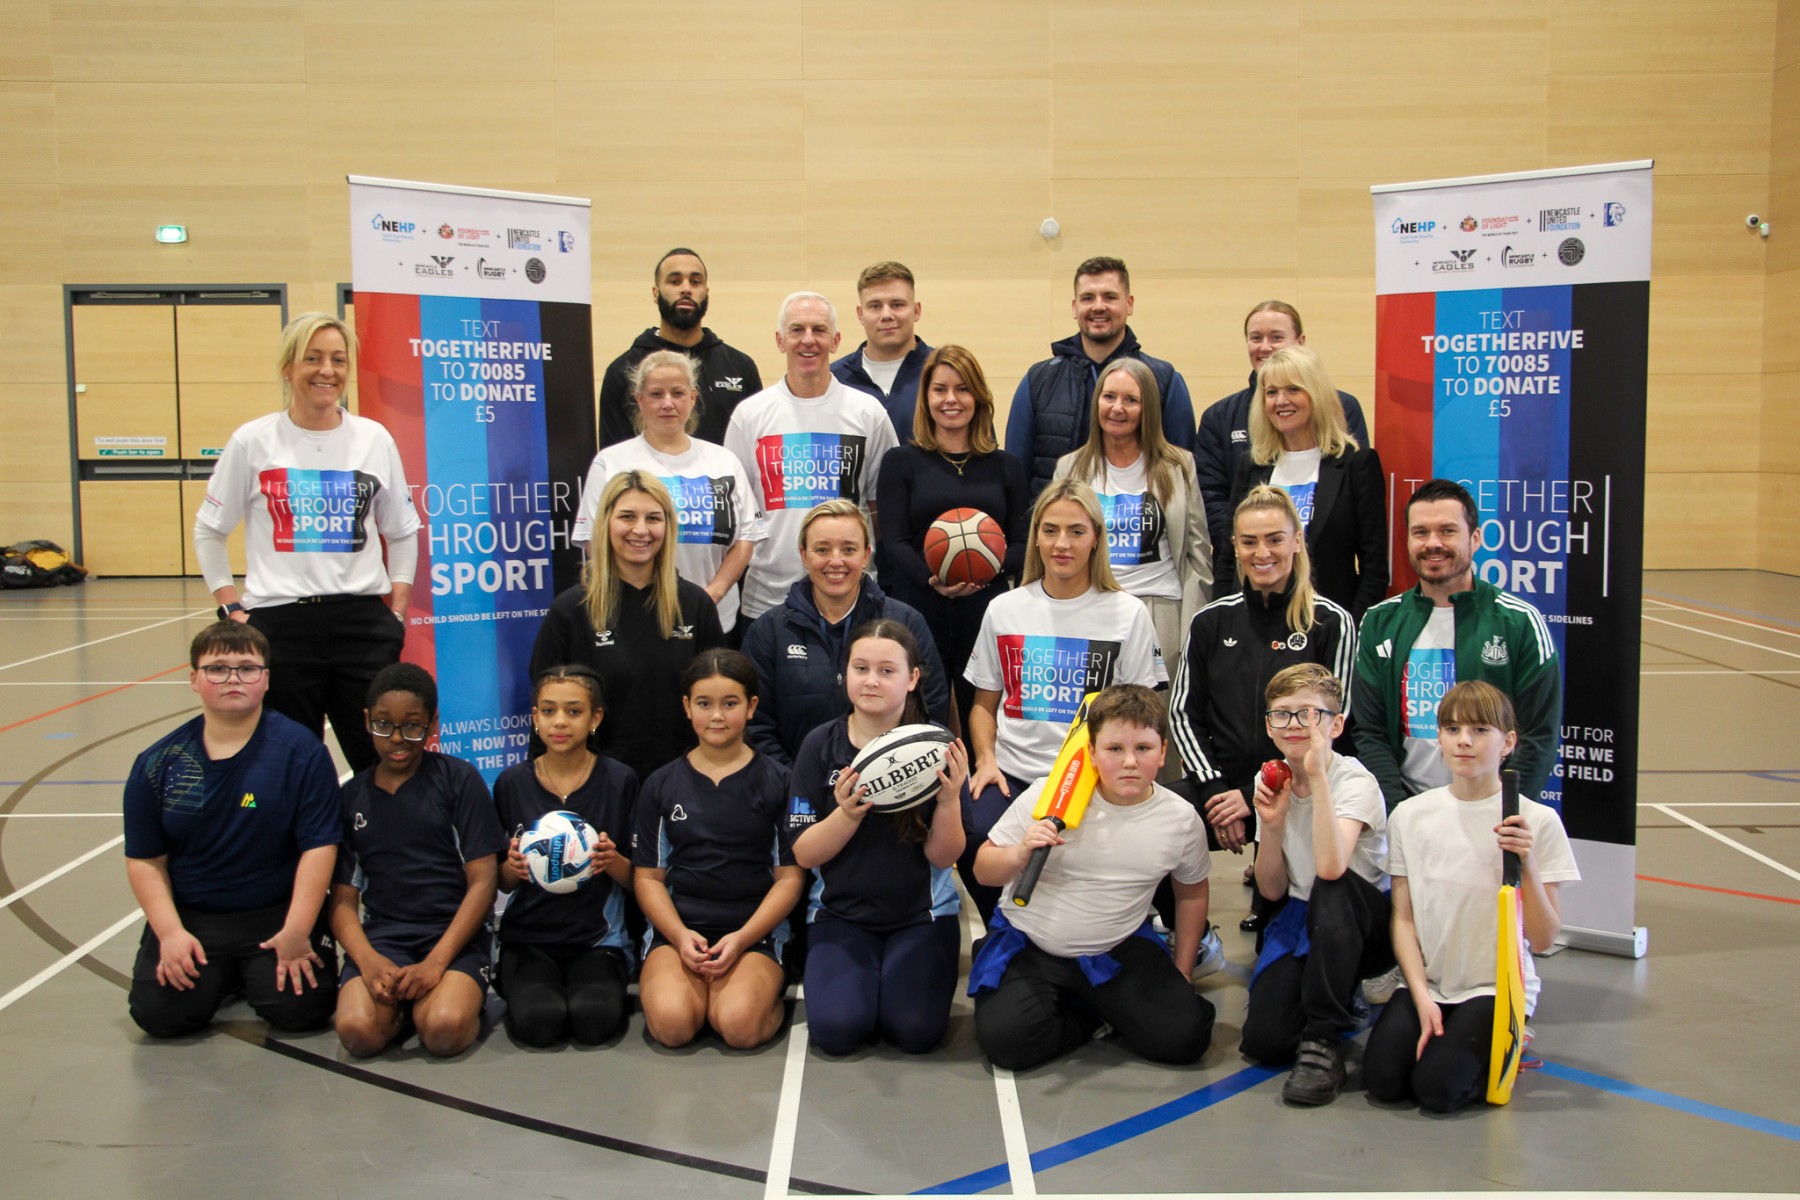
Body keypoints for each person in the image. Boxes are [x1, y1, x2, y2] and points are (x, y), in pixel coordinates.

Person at [195, 312, 419, 772]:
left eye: (338, 359)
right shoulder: (252, 441)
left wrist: (395, 613)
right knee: (292, 765)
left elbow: (401, 531)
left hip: (362, 626)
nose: (327, 371)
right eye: (312, 358)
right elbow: (209, 530)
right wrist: (231, 608)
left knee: (378, 762)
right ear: (287, 367)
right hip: (281, 627)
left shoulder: (373, 438)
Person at [969, 685, 1215, 1070]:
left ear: (1163, 751)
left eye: (1143, 748)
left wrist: (1183, 971)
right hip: (1033, 946)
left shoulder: (1180, 819)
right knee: (1009, 1043)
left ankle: (1100, 1005)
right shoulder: (1046, 797)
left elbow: (1192, 892)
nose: (1129, 762)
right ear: (1092, 752)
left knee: (1186, 1038)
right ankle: (1091, 1016)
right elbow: (983, 870)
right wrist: (1019, 853)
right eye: (1114, 749)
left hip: (1118, 947)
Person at [1363, 681, 1580, 1114]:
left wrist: (1527, 863)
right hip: (1429, 981)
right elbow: (1403, 919)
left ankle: (1511, 1041)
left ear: (1508, 743)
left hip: (1494, 988)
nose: (1464, 740)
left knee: (1438, 1091)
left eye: (1480, 730)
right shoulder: (1410, 815)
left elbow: (1542, 939)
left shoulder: (1537, 820)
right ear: (1439, 739)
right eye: (1452, 729)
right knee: (1384, 1082)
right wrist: (1420, 996)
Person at [123, 623, 342, 1039]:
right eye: (218, 668)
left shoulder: (302, 753)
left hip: (276, 913)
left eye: (247, 668)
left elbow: (320, 847)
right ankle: (225, 972)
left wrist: (297, 931)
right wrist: (170, 933)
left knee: (301, 1011)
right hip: (194, 916)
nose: (233, 679)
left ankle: (241, 971)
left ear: (267, 679)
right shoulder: (159, 762)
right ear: (194, 679)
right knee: (162, 1017)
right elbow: (145, 859)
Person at [962, 479, 1166, 923]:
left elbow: (1145, 714)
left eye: (1076, 531)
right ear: (1036, 536)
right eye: (1050, 530)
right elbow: (983, 704)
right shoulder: (1004, 609)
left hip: (1093, 778)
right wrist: (985, 760)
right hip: (1014, 775)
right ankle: (1005, 925)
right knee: (972, 831)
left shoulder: (1127, 613)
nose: (1062, 544)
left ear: (1096, 538)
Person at [788, 620, 969, 1056]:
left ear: (912, 678)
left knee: (915, 1032)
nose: (871, 680)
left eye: (887, 671)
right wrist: (846, 815)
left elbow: (944, 857)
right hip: (841, 915)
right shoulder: (820, 744)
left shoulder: (937, 750)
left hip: (922, 916)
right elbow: (804, 852)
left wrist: (948, 803)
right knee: (838, 1032)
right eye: (861, 668)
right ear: (845, 672)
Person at [1353, 478, 1562, 813]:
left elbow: (1538, 736)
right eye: (1420, 532)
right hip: (1405, 811)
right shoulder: (1379, 622)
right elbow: (1370, 732)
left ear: (1475, 538)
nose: (1433, 543)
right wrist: (1397, 813)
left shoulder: (1519, 622)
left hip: (1491, 816)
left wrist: (1500, 811)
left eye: (1447, 531)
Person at [330, 664, 506, 1058]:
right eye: (383, 725)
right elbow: (342, 902)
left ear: (432, 724)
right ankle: (400, 1010)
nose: (397, 739)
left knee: (444, 1031)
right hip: (384, 940)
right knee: (357, 1033)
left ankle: (441, 1002)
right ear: (367, 721)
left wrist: (436, 963)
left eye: (412, 727)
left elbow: (483, 882)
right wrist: (368, 961)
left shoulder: (459, 780)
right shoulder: (351, 797)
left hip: (452, 938)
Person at [1239, 664, 1392, 1107]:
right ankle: (1338, 994)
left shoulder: (1355, 782)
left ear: (1336, 725)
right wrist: (1272, 827)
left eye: (1309, 714)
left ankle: (1324, 1039)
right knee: (1266, 1041)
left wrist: (1318, 777)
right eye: (1282, 714)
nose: (1295, 724)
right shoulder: (1270, 777)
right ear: (1269, 725)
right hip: (1302, 913)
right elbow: (1272, 890)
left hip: (1360, 919)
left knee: (1331, 886)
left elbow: (1330, 866)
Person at [634, 649, 800, 1050]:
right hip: (680, 930)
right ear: (687, 707)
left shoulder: (780, 781)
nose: (717, 716)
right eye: (704, 704)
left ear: (751, 707)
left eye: (730, 704)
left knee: (740, 1027)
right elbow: (648, 877)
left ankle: (749, 997)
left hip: (753, 932)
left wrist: (741, 939)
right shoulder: (660, 784)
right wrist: (679, 936)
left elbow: (789, 878)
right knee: (673, 1026)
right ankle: (701, 993)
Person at [532, 471, 725, 781]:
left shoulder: (695, 604)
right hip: (598, 783)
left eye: (653, 518)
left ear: (668, 526)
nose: (641, 529)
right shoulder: (570, 610)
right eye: (627, 516)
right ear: (606, 523)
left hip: (685, 779)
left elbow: (720, 698)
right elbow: (546, 708)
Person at [874, 345, 1029, 727]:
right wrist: (934, 580)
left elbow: (1023, 544)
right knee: (921, 714)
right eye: (940, 389)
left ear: (979, 397)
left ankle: (983, 767)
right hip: (919, 604)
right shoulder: (900, 462)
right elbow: (893, 542)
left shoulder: (1006, 466)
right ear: (925, 398)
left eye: (962, 389)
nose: (951, 400)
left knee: (985, 713)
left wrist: (983, 572)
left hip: (986, 606)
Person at [726, 292, 899, 623]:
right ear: (780, 340)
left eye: (819, 330)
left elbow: (881, 509)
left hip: (853, 597)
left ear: (835, 340)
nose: (808, 340)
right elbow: (738, 512)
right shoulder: (749, 416)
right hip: (767, 599)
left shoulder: (868, 412)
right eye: (797, 330)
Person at [741, 500, 950, 765]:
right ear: (804, 555)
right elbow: (756, 727)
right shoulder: (768, 632)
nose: (836, 561)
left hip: (890, 782)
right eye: (822, 549)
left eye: (848, 549)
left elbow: (930, 710)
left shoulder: (907, 622)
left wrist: (890, 780)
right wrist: (797, 783)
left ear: (866, 555)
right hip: (794, 785)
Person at [492, 666, 637, 1047]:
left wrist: (612, 861)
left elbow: (639, 880)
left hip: (598, 940)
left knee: (594, 1021)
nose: (560, 721)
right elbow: (500, 881)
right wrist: (512, 868)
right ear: (535, 717)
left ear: (595, 718)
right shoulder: (511, 783)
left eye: (574, 711)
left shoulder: (620, 780)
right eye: (548, 710)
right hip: (528, 939)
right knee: (540, 1023)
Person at [573, 350, 764, 637]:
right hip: (637, 617)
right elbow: (594, 540)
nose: (667, 403)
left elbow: (746, 538)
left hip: (713, 617)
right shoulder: (611, 463)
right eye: (656, 394)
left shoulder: (724, 461)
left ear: (693, 398)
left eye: (677, 393)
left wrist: (711, 595)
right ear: (639, 400)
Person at [1053, 357, 1211, 689]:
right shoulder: (1070, 468)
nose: (1117, 408)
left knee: (1154, 716)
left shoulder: (1179, 466)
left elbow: (1198, 555)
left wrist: (1192, 631)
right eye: (1109, 396)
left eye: (1131, 400)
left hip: (1160, 610)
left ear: (1147, 408)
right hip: (1091, 608)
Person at [1218, 345, 1387, 623]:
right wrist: (1225, 622)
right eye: (1271, 392)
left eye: (1293, 390)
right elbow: (1228, 557)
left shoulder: (1357, 465)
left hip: (1325, 624)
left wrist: (1348, 631)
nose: (1281, 401)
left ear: (1316, 394)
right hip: (1253, 623)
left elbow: (1375, 570)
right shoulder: (1253, 465)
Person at [1004, 257, 1196, 496]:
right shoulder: (1038, 381)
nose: (1098, 306)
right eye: (1088, 298)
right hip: (1058, 518)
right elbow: (1016, 476)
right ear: (1074, 307)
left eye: (1109, 297)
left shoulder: (1164, 380)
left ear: (1129, 304)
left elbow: (1181, 470)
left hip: (1143, 519)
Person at [1196, 301, 1370, 563]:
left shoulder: (1343, 407)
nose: (1265, 347)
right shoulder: (1219, 416)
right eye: (1256, 338)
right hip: (1251, 563)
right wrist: (1249, 547)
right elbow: (1211, 497)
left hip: (1326, 566)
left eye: (1276, 337)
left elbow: (1356, 499)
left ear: (1300, 342)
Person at [598, 248, 762, 448]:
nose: (686, 289)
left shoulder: (740, 367)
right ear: (655, 293)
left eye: (695, 282)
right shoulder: (624, 371)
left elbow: (755, 449)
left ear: (706, 292)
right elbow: (614, 457)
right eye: (675, 281)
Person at [830, 261, 934, 443]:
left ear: (916, 310)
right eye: (875, 306)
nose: (886, 315)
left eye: (897, 304)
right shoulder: (833, 379)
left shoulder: (945, 372)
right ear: (860, 314)